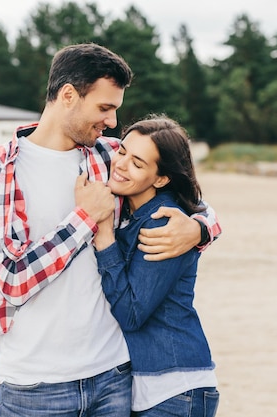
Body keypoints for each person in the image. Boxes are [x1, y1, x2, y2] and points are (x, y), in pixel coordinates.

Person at [0, 43, 221, 417]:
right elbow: (13, 279)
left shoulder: (110, 156)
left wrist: (200, 230)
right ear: (69, 95)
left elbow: (188, 200)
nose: (111, 121)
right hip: (35, 384)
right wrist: (85, 218)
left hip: (114, 376)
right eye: (105, 108)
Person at [92, 114, 221, 417]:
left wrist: (105, 237)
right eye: (122, 152)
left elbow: (132, 313)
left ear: (161, 178)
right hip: (149, 388)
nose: (121, 165)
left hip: (175, 389)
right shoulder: (129, 211)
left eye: (137, 164)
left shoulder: (164, 221)